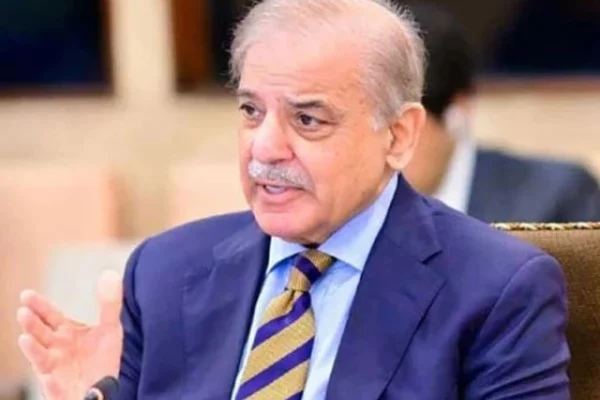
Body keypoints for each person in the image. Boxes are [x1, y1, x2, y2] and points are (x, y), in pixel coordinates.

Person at [17, 0, 570, 399]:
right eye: (251, 111)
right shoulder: (164, 273)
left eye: (307, 119)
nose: (264, 147)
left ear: (399, 136)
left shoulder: (497, 290)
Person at [401, 1, 600, 223]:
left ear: (456, 113)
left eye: (402, 131)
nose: (388, 154)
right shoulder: (370, 204)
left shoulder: (555, 197)